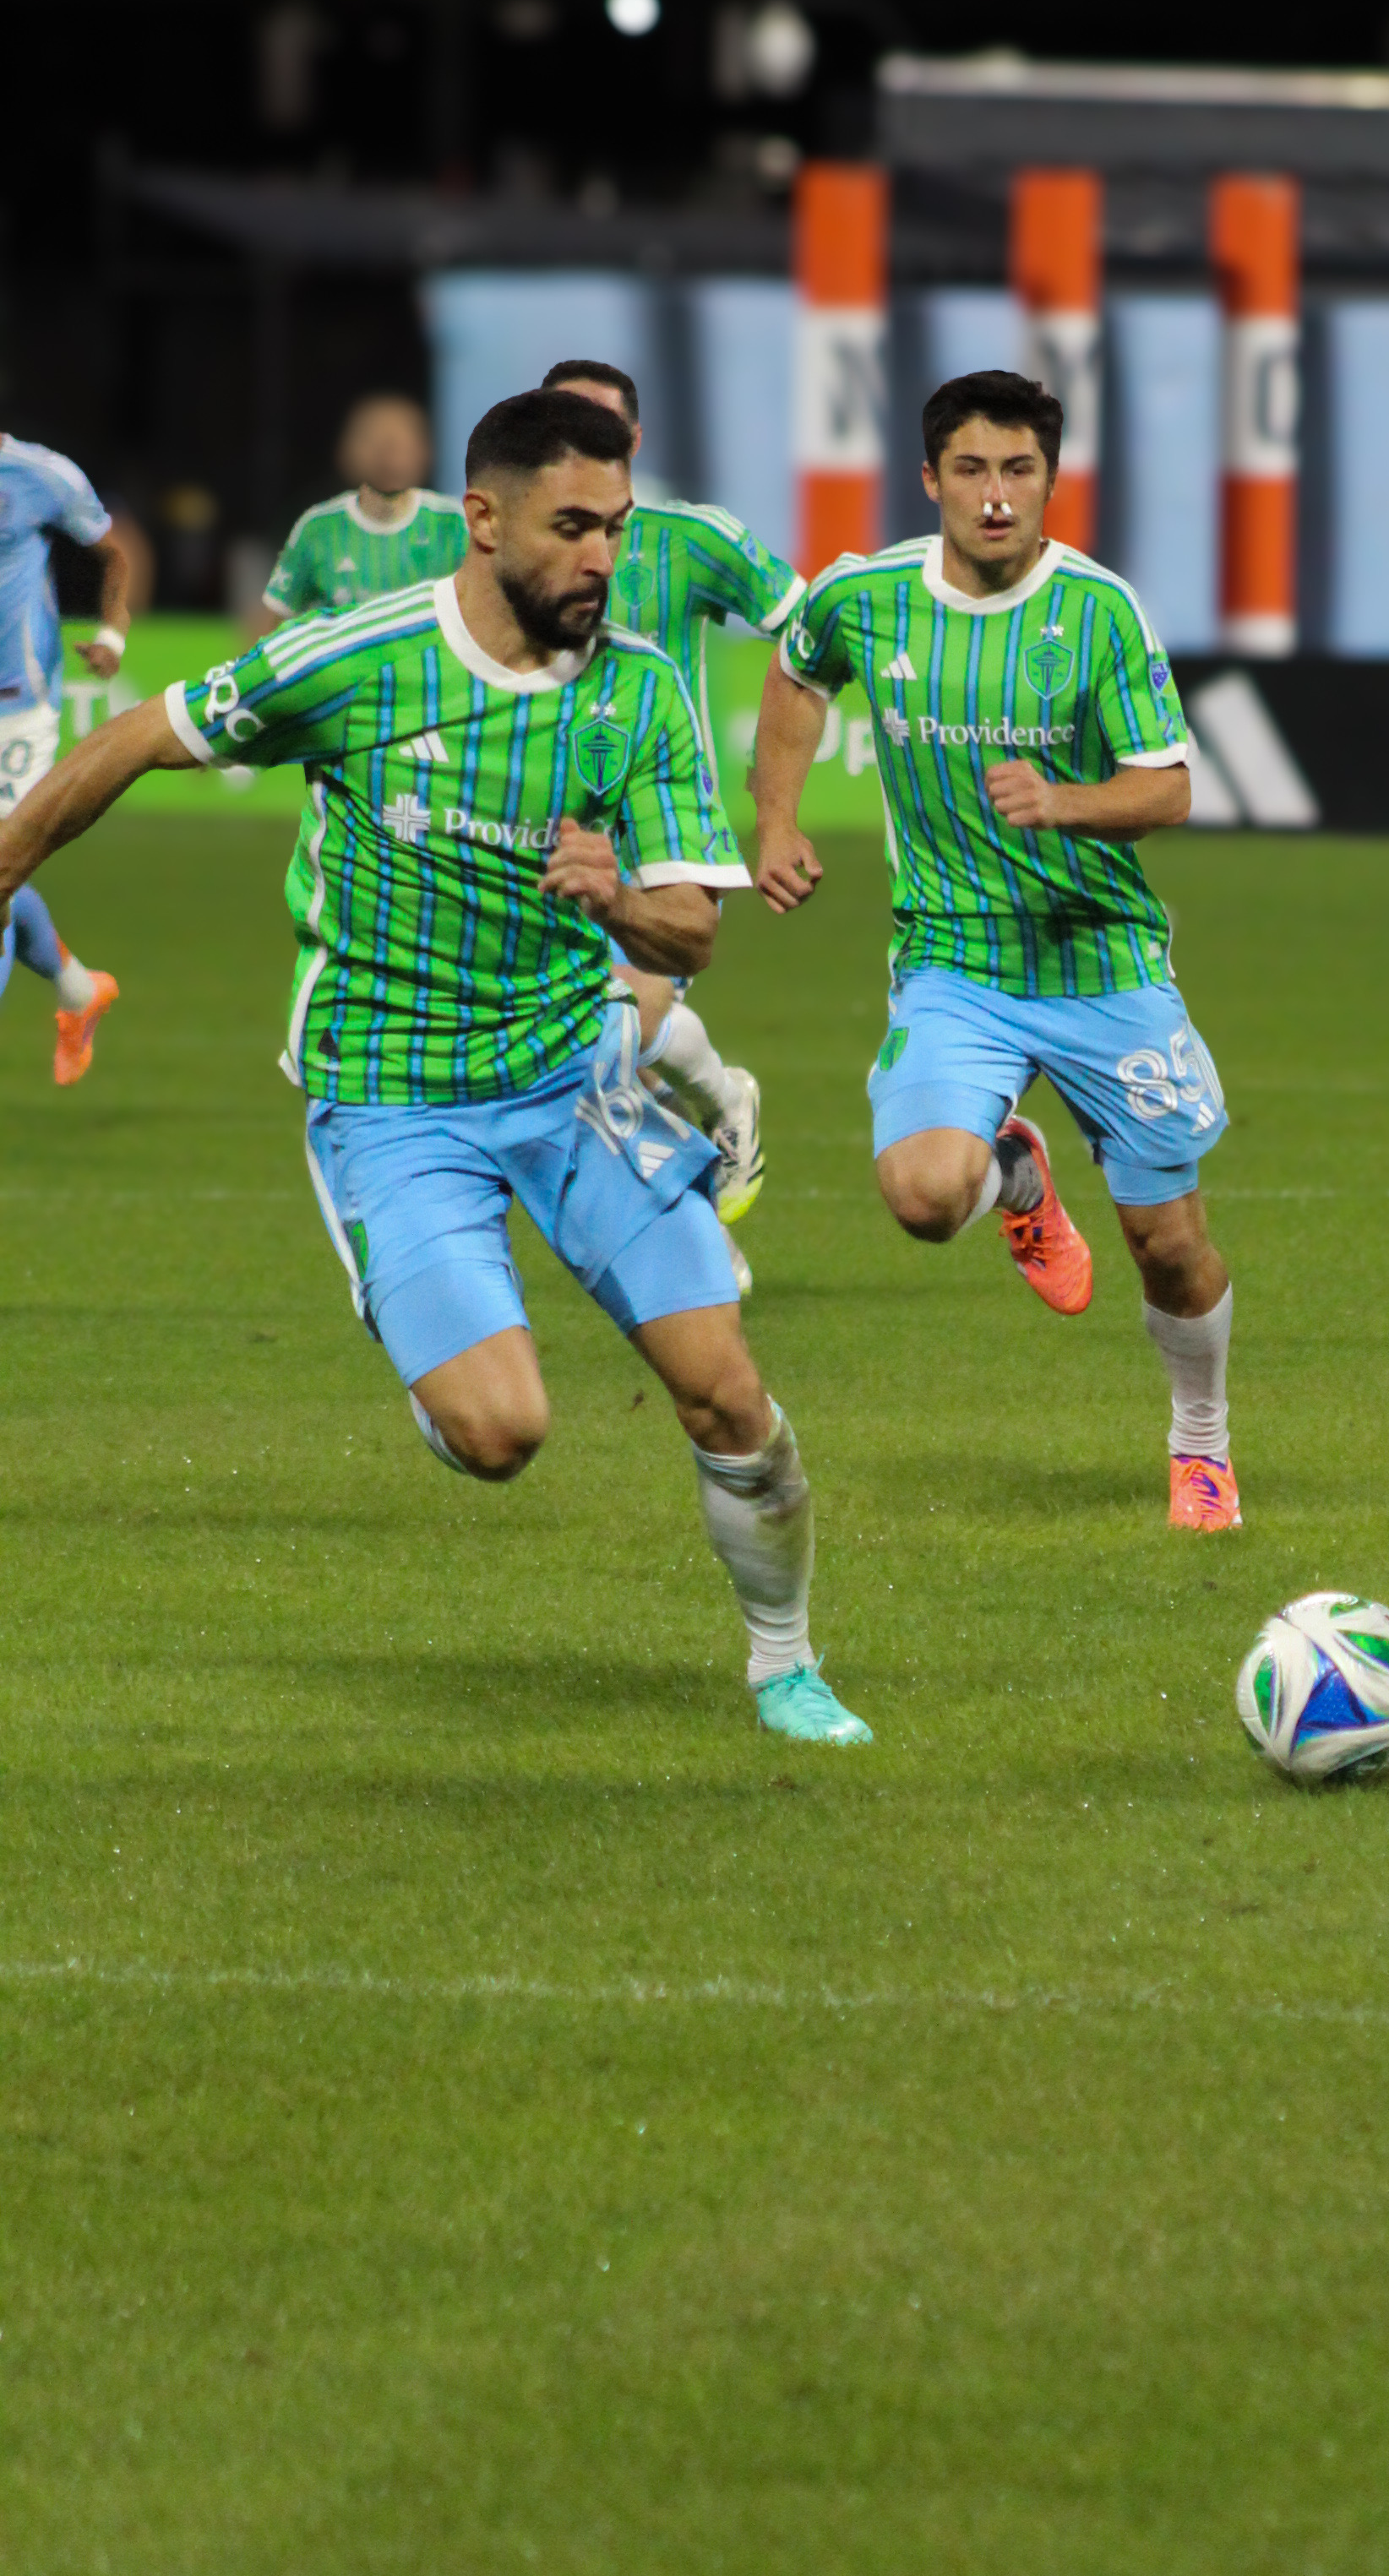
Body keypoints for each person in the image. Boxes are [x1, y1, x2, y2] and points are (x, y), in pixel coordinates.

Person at [0, 383, 869, 1743]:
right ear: (484, 519)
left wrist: (615, 895)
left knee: (730, 1395)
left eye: (615, 528)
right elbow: (138, 737)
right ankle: (444, 1363)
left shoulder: (639, 690)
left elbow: (692, 929)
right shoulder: (362, 659)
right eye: (572, 527)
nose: (601, 557)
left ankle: (786, 1664)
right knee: (500, 1434)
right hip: (393, 1100)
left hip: (573, 1082)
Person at [752, 367, 1243, 1534]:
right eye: (970, 469)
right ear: (929, 479)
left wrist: (1064, 802)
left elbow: (1169, 788)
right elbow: (796, 674)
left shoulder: (1101, 611)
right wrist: (775, 820)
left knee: (1169, 1246)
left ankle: (1202, 1444)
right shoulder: (863, 595)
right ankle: (1011, 1172)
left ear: (1051, 480)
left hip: (1100, 961)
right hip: (955, 962)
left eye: (1019, 470)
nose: (995, 495)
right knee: (925, 1198)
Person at [537, 357, 793, 1222]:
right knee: (586, 1051)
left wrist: (772, 782)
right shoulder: (513, 548)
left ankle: (702, 1188)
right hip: (537, 822)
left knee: (621, 1025)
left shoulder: (692, 540)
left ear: (636, 441)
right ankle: (718, 1119)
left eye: (602, 425)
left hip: (657, 829)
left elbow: (811, 632)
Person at [0, 421, 128, 1083]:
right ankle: (80, 990)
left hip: (19, 709)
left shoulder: (41, 474)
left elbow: (115, 551)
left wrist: (113, 633)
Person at [248, 392, 466, 637]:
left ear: (424, 452)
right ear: (346, 452)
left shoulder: (454, 523)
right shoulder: (318, 529)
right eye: (372, 438)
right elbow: (269, 626)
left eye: (400, 440)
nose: (388, 452)